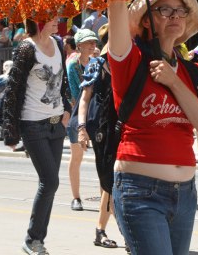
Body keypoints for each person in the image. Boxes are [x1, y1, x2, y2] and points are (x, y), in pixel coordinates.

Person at [108, 0, 198, 255]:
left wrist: (173, 82)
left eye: (180, 10)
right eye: (164, 9)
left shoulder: (196, 73)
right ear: (147, 20)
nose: (174, 16)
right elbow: (116, 5)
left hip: (185, 194)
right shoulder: (131, 61)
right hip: (139, 191)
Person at [2, 17, 71, 255]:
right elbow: (13, 89)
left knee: (50, 184)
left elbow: (63, 81)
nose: (58, 20)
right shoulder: (26, 48)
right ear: (38, 19)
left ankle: (36, 239)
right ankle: (33, 240)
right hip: (33, 124)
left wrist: (68, 108)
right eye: (52, 16)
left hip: (56, 124)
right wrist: (11, 132)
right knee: (50, 182)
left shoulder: (59, 43)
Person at [76, 27, 118, 249]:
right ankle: (100, 231)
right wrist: (81, 128)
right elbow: (85, 99)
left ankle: (125, 230)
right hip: (103, 128)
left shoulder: (129, 61)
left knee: (123, 181)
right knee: (110, 183)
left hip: (126, 126)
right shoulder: (97, 65)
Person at [66, 28, 98, 211]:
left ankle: (106, 196)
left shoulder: (96, 62)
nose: (93, 45)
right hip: (79, 114)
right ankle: (76, 197)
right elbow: (75, 94)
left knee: (101, 157)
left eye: (94, 42)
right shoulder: (74, 66)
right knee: (76, 156)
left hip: (96, 114)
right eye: (89, 42)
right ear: (79, 46)